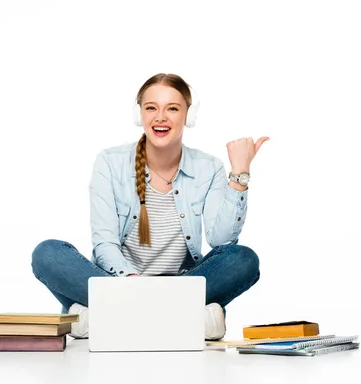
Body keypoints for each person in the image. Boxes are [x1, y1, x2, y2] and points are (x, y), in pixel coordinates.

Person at [31, 73, 269, 340]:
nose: (160, 117)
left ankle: (100, 319)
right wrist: (132, 286)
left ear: (188, 116)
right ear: (139, 115)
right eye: (151, 108)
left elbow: (222, 241)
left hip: (180, 286)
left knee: (243, 259)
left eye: (172, 108)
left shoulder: (209, 168)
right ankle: (185, 320)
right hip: (117, 284)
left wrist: (239, 175)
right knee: (47, 253)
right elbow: (105, 242)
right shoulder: (110, 162)